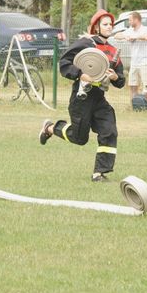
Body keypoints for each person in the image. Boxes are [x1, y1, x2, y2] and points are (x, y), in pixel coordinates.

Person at [38, 9, 125, 182]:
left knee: (109, 132)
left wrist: (116, 77)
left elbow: (121, 81)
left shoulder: (114, 51)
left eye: (110, 24)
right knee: (79, 138)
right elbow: (64, 62)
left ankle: (99, 173)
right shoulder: (86, 43)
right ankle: (50, 128)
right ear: (96, 27)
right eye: (105, 24)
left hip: (100, 99)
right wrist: (80, 74)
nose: (109, 27)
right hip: (81, 98)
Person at [115, 11, 147, 105]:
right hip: (134, 62)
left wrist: (134, 37)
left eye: (130, 20)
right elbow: (117, 35)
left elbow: (145, 37)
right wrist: (126, 36)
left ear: (136, 19)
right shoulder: (130, 30)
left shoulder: (145, 29)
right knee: (133, 86)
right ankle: (134, 106)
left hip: (144, 61)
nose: (129, 22)